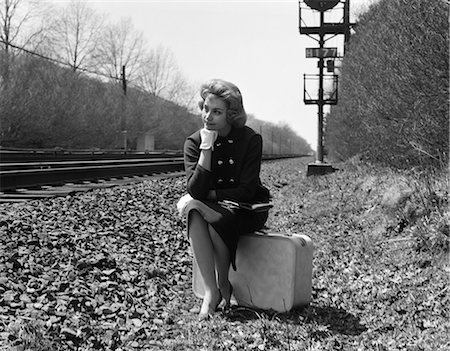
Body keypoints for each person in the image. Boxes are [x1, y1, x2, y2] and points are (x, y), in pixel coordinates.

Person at [178, 79, 270, 320]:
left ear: (231, 114)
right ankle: (212, 292)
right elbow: (196, 191)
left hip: (246, 209)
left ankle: (223, 283)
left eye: (216, 112)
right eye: (205, 109)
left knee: (215, 217)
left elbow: (247, 189)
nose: (207, 117)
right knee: (195, 211)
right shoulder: (194, 142)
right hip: (211, 207)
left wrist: (214, 195)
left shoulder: (250, 140)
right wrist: (206, 148)